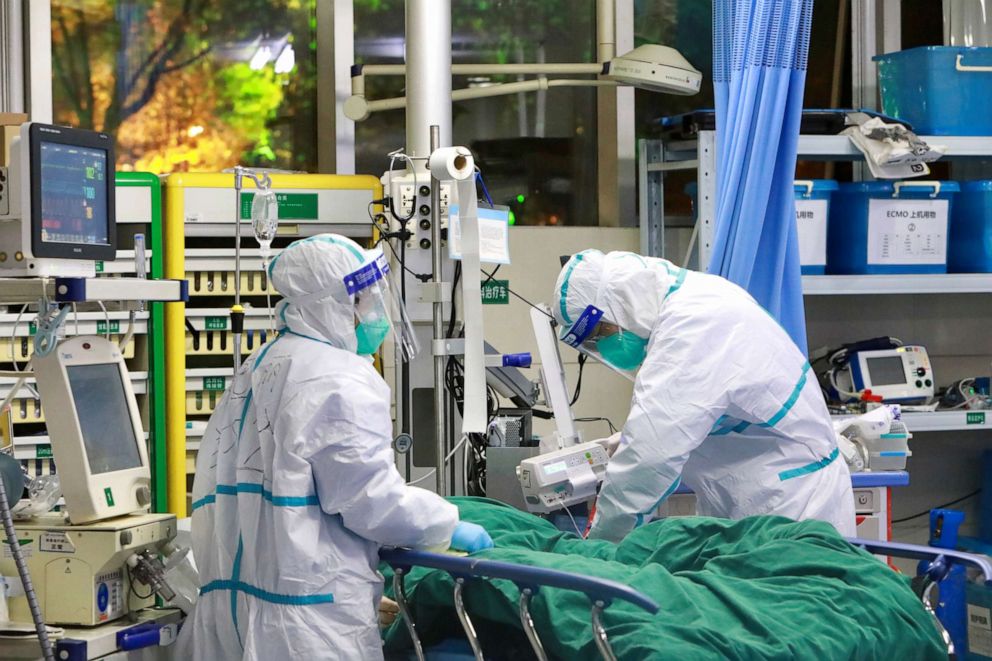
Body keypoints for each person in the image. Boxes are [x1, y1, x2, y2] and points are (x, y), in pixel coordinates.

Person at [176, 234, 493, 660]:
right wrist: (444, 525)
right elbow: (369, 499)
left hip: (233, 616)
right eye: (364, 299)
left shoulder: (262, 363)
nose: (375, 311)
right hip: (306, 630)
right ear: (330, 303)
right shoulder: (339, 377)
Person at [553, 249, 856, 543]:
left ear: (621, 302)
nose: (602, 346)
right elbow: (713, 406)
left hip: (789, 509)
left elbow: (650, 458)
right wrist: (626, 440)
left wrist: (601, 545)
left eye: (600, 333)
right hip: (764, 499)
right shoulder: (697, 297)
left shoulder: (691, 327)